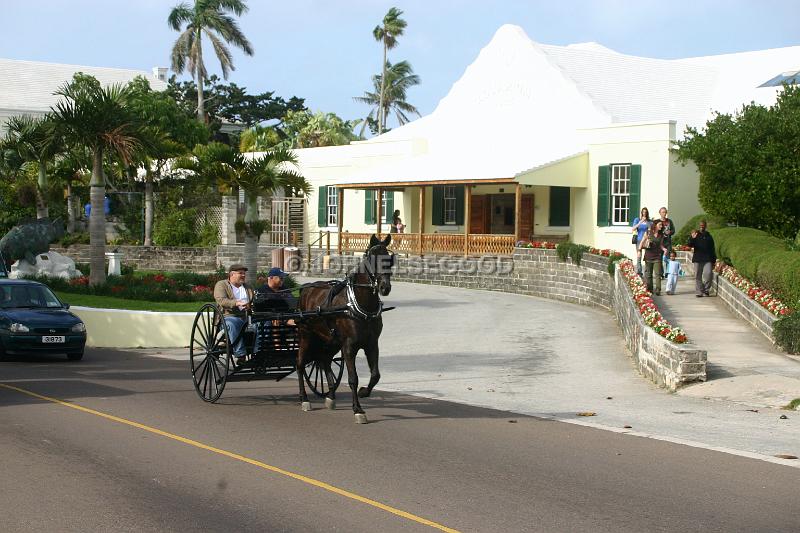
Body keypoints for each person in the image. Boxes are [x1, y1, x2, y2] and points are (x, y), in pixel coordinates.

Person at [213, 264, 254, 365]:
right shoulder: (221, 284)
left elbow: (254, 301)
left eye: (244, 273)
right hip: (228, 317)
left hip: (247, 317)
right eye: (241, 273)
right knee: (233, 323)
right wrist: (236, 303)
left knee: (261, 324)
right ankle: (241, 355)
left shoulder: (247, 287)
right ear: (232, 274)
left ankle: (257, 353)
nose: (243, 275)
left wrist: (251, 305)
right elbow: (221, 300)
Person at [687, 219, 717, 297]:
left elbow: (712, 248)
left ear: (705, 226)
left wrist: (714, 260)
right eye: (700, 226)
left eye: (703, 226)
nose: (702, 227)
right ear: (699, 226)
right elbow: (689, 245)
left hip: (707, 258)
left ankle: (706, 290)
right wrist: (692, 238)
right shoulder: (695, 235)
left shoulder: (709, 236)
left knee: (708, 274)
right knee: (697, 275)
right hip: (698, 258)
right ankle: (699, 291)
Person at [642, 220, 668, 295]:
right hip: (648, 255)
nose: (661, 226)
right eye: (660, 225)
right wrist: (640, 248)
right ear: (655, 225)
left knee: (658, 274)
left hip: (657, 256)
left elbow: (660, 245)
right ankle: (650, 289)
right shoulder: (648, 233)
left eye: (661, 225)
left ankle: (658, 290)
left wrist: (664, 249)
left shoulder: (661, 235)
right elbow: (643, 242)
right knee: (649, 274)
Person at [631, 207, 651, 275]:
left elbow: (650, 229)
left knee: (647, 255)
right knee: (639, 255)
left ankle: (647, 270)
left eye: (645, 212)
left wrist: (647, 223)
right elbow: (633, 228)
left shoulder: (649, 221)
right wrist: (640, 222)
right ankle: (639, 271)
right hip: (639, 239)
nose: (644, 213)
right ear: (641, 213)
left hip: (646, 240)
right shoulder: (637, 219)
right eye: (643, 212)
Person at [657, 207, 675, 278]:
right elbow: (654, 230)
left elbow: (673, 230)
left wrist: (670, 232)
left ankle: (667, 273)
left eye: (665, 212)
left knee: (667, 258)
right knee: (659, 258)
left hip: (667, 242)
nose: (664, 214)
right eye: (662, 212)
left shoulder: (669, 221)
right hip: (660, 242)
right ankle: (661, 274)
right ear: (660, 213)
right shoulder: (657, 221)